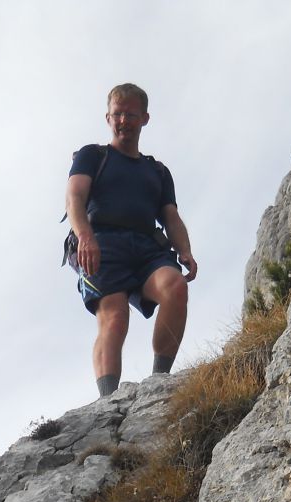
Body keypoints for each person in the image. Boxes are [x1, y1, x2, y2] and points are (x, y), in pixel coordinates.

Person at [65, 83, 198, 397]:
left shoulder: (158, 172)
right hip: (101, 241)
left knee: (175, 287)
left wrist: (185, 250)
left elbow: (170, 216)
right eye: (117, 114)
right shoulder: (92, 156)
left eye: (131, 115)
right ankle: (109, 401)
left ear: (145, 118)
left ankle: (158, 382)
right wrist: (85, 237)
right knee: (114, 316)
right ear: (108, 118)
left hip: (146, 247)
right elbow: (74, 197)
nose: (123, 120)